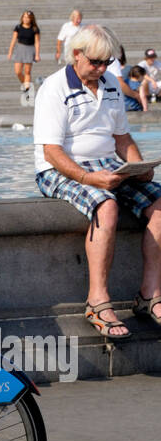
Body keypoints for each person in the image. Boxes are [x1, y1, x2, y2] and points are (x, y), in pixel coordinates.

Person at [34, 23, 161, 341]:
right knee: (106, 206)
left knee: (160, 204)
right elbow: (51, 152)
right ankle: (97, 301)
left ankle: (150, 294)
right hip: (62, 168)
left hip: (108, 164)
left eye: (107, 63)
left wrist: (138, 166)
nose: (102, 69)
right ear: (76, 55)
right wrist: (89, 178)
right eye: (96, 62)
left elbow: (122, 138)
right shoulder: (54, 87)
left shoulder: (111, 85)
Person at [8, 10, 41, 105]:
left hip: (30, 49)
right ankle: (26, 85)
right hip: (20, 49)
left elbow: (37, 42)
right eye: (24, 17)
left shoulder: (35, 29)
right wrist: (10, 51)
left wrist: (37, 54)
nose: (26, 19)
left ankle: (27, 89)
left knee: (27, 71)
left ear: (31, 19)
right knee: (18, 71)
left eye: (28, 17)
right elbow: (13, 40)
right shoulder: (18, 27)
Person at [108, 48, 148, 113]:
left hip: (123, 105)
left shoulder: (125, 81)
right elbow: (143, 96)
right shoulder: (139, 85)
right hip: (135, 106)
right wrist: (145, 109)